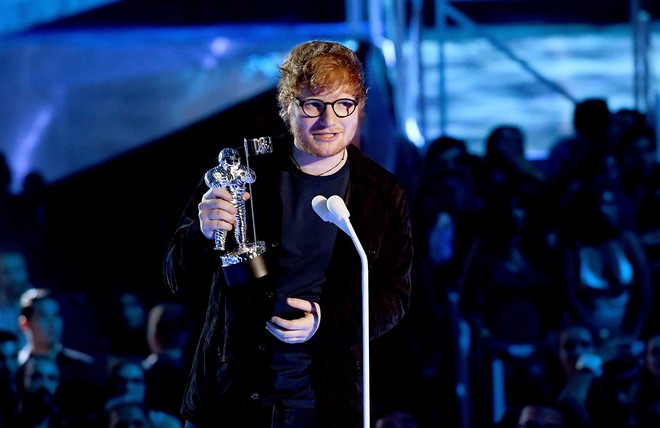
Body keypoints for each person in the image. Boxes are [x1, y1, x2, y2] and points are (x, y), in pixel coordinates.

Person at [163, 40, 414, 428]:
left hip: (323, 401)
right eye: (312, 104)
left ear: (360, 108)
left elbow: (392, 298)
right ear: (287, 109)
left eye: (343, 104)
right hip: (231, 397)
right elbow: (177, 277)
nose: (328, 120)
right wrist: (202, 232)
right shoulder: (242, 169)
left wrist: (323, 320)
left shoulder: (382, 193)